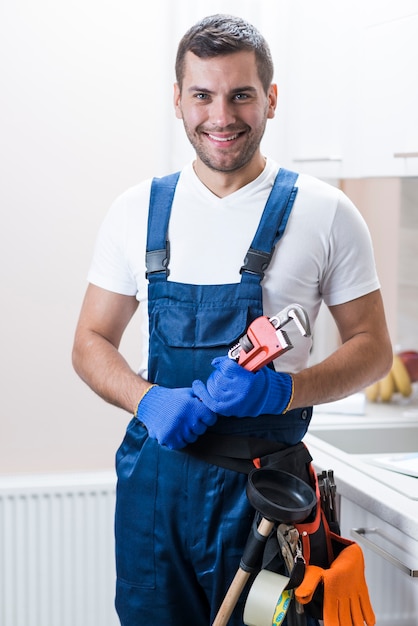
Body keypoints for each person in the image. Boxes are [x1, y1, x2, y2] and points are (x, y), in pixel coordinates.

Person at [72, 13, 392, 626]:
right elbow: (89, 342)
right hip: (155, 491)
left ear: (270, 99)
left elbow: (374, 348)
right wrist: (148, 401)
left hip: (265, 495)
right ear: (178, 100)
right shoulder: (136, 210)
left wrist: (283, 388)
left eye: (241, 94)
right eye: (203, 95)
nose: (221, 116)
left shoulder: (326, 213)